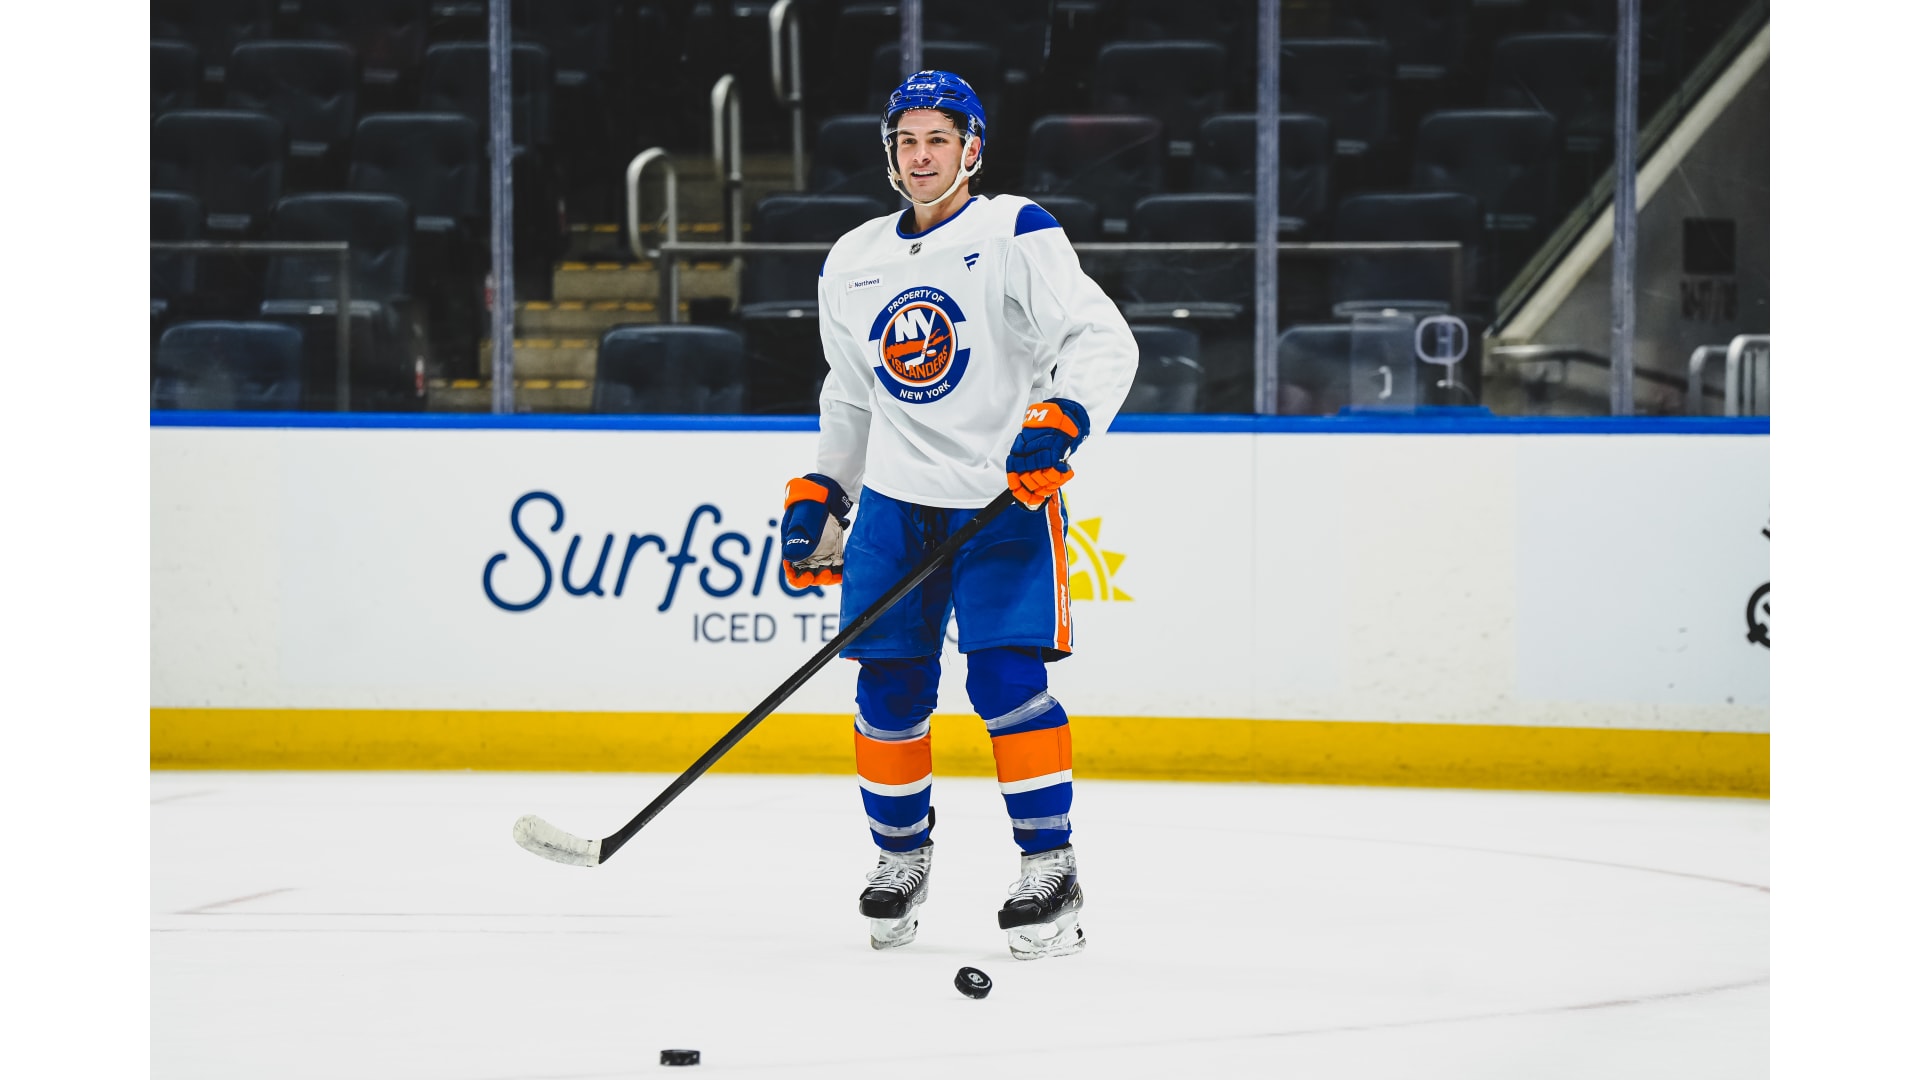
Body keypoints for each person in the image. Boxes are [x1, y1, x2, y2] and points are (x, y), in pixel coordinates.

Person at [778, 70, 1138, 960]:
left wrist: (1064, 415)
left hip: (1002, 500)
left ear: (971, 148)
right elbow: (850, 395)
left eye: (938, 139)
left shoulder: (1014, 230)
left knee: (1006, 683)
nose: (921, 155)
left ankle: (1049, 867)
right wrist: (827, 489)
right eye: (906, 141)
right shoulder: (852, 258)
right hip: (896, 507)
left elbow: (1099, 338)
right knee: (887, 692)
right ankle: (901, 859)